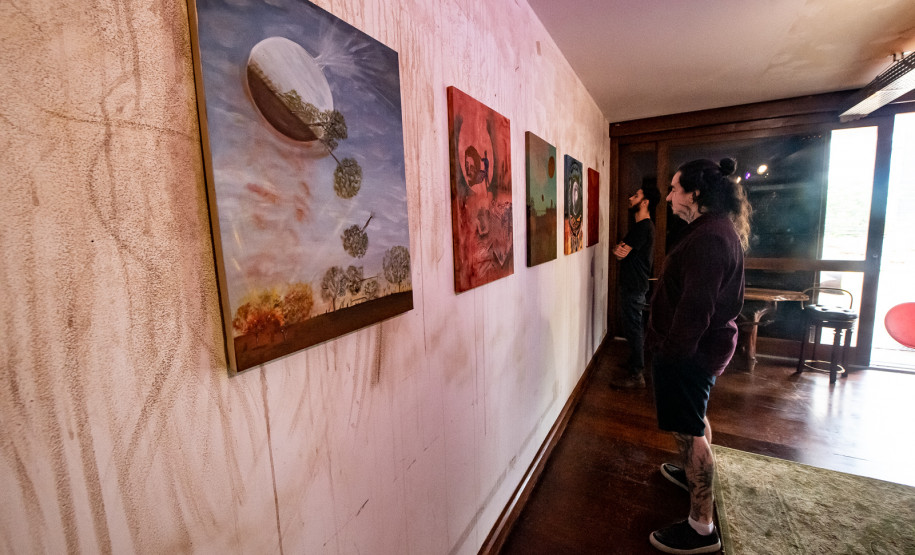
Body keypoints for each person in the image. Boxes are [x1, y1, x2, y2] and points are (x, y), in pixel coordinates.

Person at [647, 158, 751, 554]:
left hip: (689, 354)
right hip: (698, 350)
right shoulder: (713, 230)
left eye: (675, 188)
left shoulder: (709, 237)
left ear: (695, 194)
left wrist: (670, 356)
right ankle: (693, 475)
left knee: (688, 431)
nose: (669, 196)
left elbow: (696, 310)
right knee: (693, 419)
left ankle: (701, 527)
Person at [611, 180, 660, 388]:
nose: (631, 198)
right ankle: (634, 363)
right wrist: (619, 250)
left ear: (645, 202)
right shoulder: (641, 227)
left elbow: (619, 253)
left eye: (636, 196)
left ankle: (637, 374)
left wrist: (619, 250)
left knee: (633, 327)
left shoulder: (643, 227)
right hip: (634, 284)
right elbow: (620, 252)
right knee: (632, 325)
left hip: (635, 285)